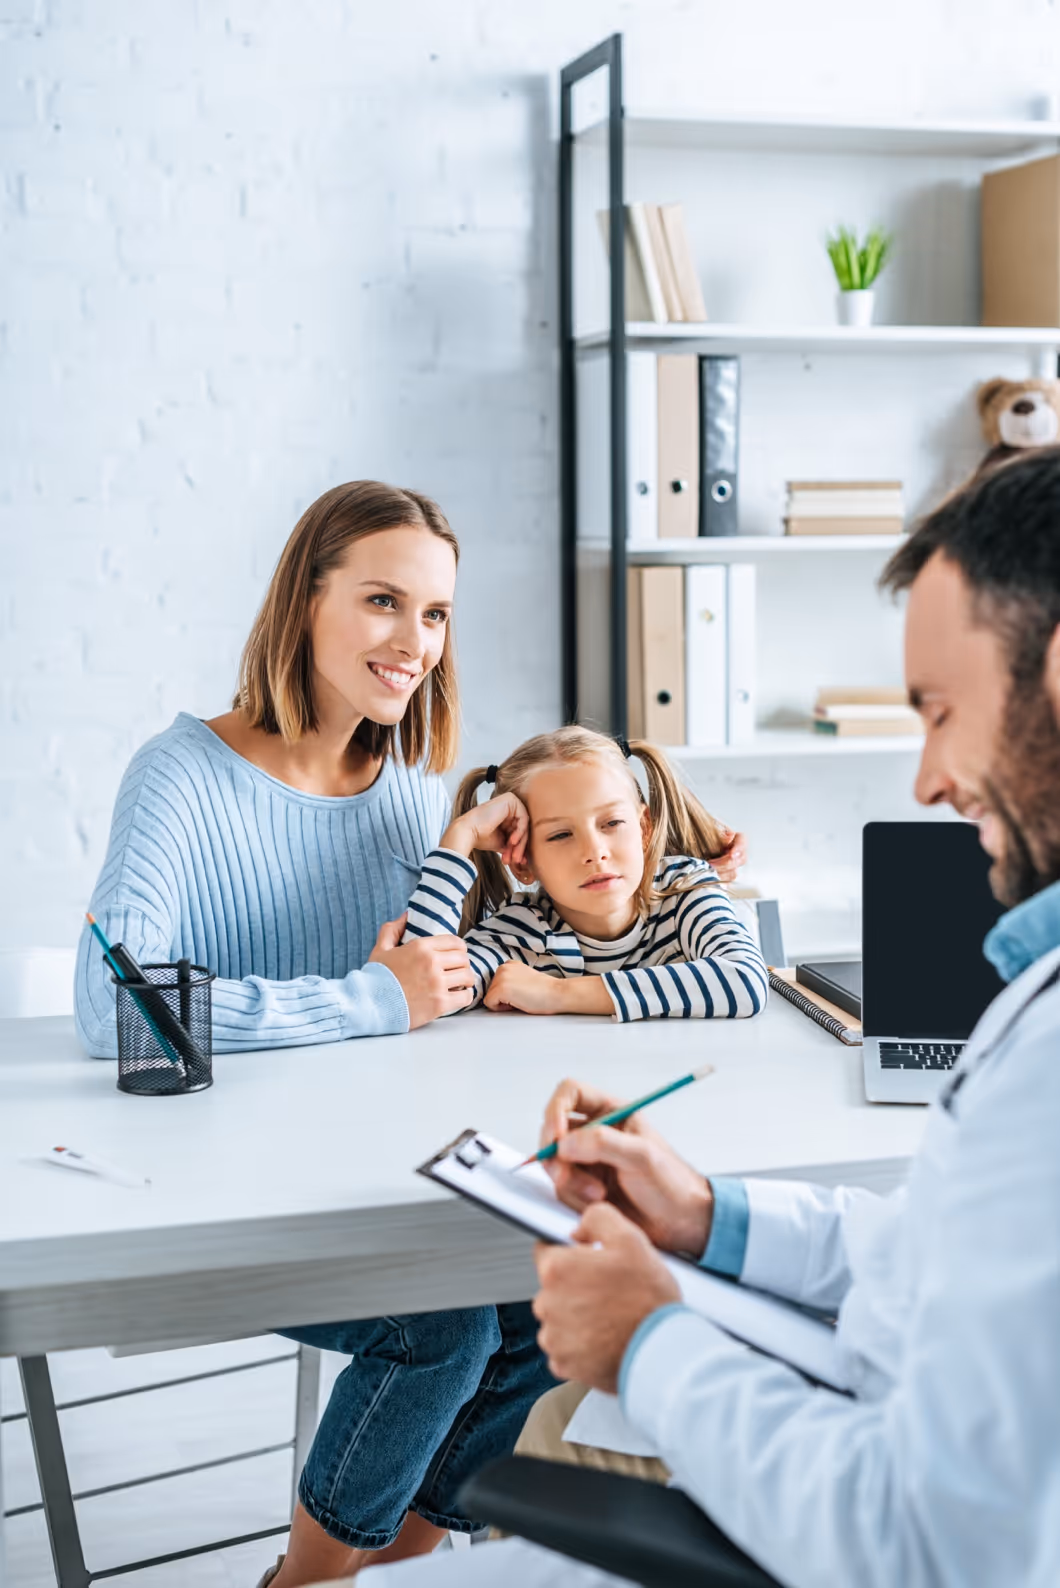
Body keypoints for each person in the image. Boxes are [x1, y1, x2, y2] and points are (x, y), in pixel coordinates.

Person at [343, 446, 1060, 1586]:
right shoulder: (1037, 991)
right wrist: (707, 1217)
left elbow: (935, 1547)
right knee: (537, 1401)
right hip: (828, 1417)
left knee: (533, 1399)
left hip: (827, 1510)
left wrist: (654, 1343)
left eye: (938, 711)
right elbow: (930, 1258)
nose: (923, 776)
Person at [73, 476, 750, 1586]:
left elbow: (505, 957)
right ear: (306, 603)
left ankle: (402, 1560)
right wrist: (370, 996)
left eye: (434, 614)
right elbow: (118, 1007)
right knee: (440, 1328)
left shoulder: (405, 791)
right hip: (235, 1182)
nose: (415, 641)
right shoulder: (181, 777)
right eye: (384, 602)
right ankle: (309, 1580)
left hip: (379, 1170)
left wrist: (676, 878)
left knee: (545, 1297)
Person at [404, 726, 766, 1021]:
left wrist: (558, 993)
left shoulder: (685, 889)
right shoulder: (522, 933)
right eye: (561, 834)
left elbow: (746, 981)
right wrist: (460, 837)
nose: (594, 852)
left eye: (611, 822)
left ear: (643, 829)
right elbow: (422, 988)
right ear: (523, 862)